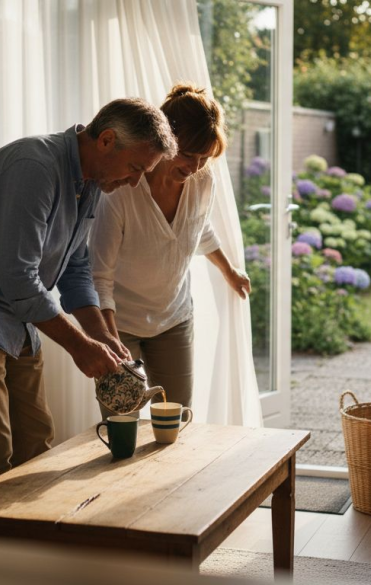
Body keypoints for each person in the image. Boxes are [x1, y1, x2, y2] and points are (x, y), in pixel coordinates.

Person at [0, 98, 177, 492]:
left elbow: (75, 267)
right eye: (136, 168)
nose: (135, 181)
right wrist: (80, 346)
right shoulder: (34, 167)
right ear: (106, 140)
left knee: (36, 439)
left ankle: (33, 543)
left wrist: (102, 333)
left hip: (17, 311)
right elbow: (20, 277)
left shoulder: (91, 182)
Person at [90, 84, 250, 416]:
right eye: (188, 154)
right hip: (122, 322)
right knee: (123, 422)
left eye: (205, 157)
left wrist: (229, 271)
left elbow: (197, 228)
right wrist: (109, 339)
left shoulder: (203, 182)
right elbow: (99, 277)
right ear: (166, 140)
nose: (195, 166)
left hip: (173, 318)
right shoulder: (122, 190)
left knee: (178, 419)